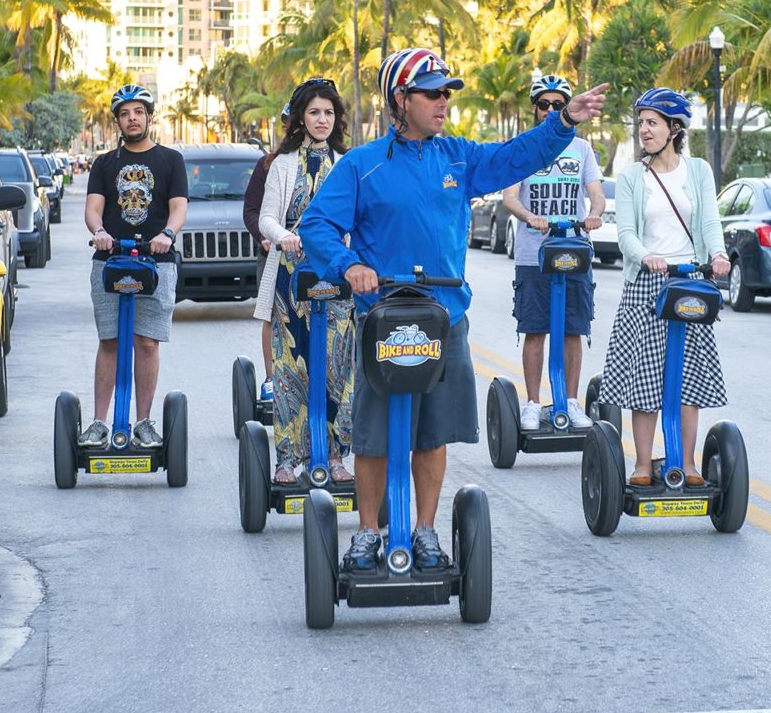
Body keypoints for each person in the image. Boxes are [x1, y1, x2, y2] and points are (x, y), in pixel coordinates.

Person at [299, 48, 608, 574]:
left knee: (433, 432)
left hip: (443, 317)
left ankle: (424, 530)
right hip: (384, 318)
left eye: (447, 93)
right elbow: (316, 226)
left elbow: (515, 156)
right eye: (433, 93)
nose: (444, 102)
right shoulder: (362, 164)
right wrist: (349, 266)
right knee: (374, 434)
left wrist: (563, 123)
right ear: (401, 99)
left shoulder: (458, 158)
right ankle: (368, 532)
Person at [600, 88, 729, 487]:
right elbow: (625, 234)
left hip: (690, 281)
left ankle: (687, 464)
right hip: (647, 285)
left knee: (687, 376)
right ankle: (642, 463)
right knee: (647, 376)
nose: (644, 130)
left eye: (652, 123)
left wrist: (719, 254)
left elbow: (708, 221)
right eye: (640, 123)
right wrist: (646, 256)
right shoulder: (631, 176)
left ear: (675, 129)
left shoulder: (699, 171)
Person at [256, 80, 355, 484]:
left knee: (337, 368)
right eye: (314, 112)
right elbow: (266, 217)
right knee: (290, 368)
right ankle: (287, 460)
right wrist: (284, 237)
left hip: (335, 276)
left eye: (329, 113)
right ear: (301, 117)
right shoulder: (282, 164)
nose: (322, 120)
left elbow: (356, 219)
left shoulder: (346, 163)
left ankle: (335, 457)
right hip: (290, 278)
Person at [82, 85, 188, 447]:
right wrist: (99, 232)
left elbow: (178, 207)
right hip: (110, 260)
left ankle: (143, 421)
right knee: (109, 341)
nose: (132, 118)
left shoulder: (171, 160)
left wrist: (168, 234)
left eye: (138, 112)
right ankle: (99, 422)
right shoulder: (104, 163)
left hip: (156, 261)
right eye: (125, 113)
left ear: (149, 116)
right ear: (118, 121)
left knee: (146, 343)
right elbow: (93, 208)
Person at [500, 74, 605, 432]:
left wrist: (594, 214)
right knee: (535, 329)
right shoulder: (525, 147)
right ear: (535, 109)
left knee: (573, 329)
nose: (550, 110)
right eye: (544, 104)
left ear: (567, 108)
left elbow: (596, 191)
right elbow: (509, 196)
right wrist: (530, 216)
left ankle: (571, 401)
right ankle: (532, 403)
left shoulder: (582, 148)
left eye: (557, 105)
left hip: (574, 249)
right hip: (533, 254)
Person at [243, 104, 285, 404]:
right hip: (275, 251)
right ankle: (273, 379)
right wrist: (263, 236)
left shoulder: (334, 161)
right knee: (272, 315)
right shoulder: (269, 164)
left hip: (318, 255)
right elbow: (251, 210)